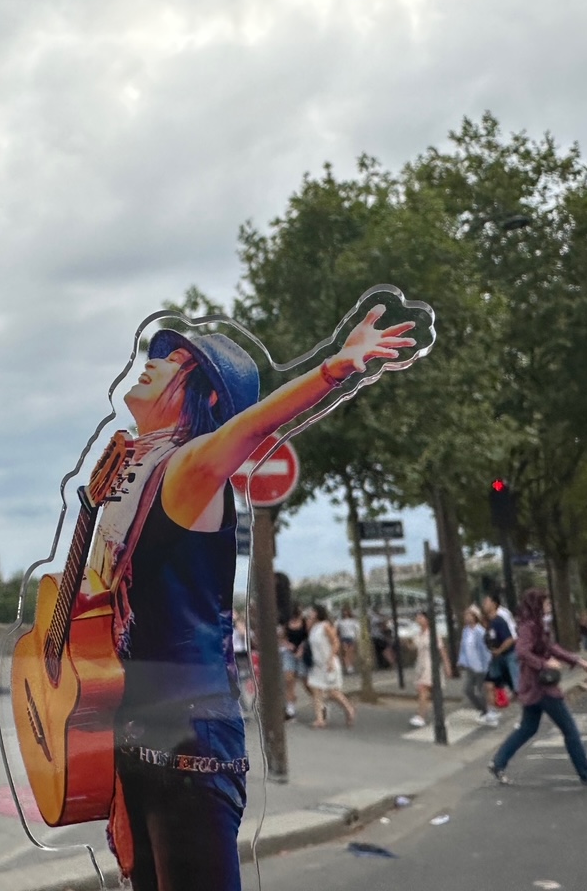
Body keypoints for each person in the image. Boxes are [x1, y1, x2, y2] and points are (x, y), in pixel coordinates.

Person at [87, 306, 417, 889]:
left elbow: (248, 429)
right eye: (155, 355)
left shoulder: (186, 466)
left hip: (187, 749)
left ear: (205, 400)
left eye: (176, 361)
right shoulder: (133, 472)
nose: (153, 364)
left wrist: (333, 369)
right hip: (144, 739)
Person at [487, 589, 587, 786]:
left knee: (528, 727)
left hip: (534, 686)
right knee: (570, 729)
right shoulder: (529, 627)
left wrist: (577, 660)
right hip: (541, 686)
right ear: (537, 605)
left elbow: (551, 647)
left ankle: (498, 762)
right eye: (545, 603)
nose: (548, 606)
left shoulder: (537, 625)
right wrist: (545, 664)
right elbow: (522, 651)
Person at [304, 604, 356, 728]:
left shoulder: (325, 626)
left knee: (332, 691)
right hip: (317, 663)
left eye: (312, 612)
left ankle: (349, 709)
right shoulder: (313, 627)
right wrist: (309, 622)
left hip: (328, 661)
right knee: (316, 690)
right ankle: (319, 719)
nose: (310, 614)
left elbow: (335, 642)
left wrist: (331, 659)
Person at [409, 609, 450, 728]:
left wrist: (447, 665)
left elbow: (442, 650)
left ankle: (421, 716)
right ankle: (441, 716)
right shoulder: (418, 634)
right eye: (417, 617)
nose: (418, 619)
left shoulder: (434, 634)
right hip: (421, 664)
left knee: (423, 689)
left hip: (431, 664)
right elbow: (414, 647)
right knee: (434, 692)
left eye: (421, 617)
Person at [482, 590, 517, 723]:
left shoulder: (499, 621)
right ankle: (492, 712)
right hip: (496, 659)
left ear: (494, 604)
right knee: (489, 684)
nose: (484, 604)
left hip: (506, 658)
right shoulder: (490, 622)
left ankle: (526, 713)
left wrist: (499, 650)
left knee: (516, 688)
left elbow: (509, 639)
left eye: (487, 602)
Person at [458, 605, 494, 725]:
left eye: (470, 615)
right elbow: (463, 648)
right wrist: (461, 661)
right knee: (467, 690)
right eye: (466, 616)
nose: (467, 618)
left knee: (481, 690)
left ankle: (487, 712)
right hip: (470, 665)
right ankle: (482, 709)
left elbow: (485, 650)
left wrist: (487, 665)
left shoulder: (480, 631)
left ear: (475, 617)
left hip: (480, 666)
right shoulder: (465, 631)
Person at [282, 605, 308, 719]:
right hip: (290, 652)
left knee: (305, 681)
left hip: (302, 652)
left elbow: (308, 637)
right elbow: (282, 637)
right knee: (289, 679)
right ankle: (290, 708)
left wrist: (301, 649)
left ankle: (319, 702)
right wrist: (288, 645)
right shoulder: (287, 624)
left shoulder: (304, 622)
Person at [336, 605, 360, 675]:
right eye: (344, 611)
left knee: (351, 652)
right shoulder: (340, 621)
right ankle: (348, 667)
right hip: (344, 638)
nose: (345, 613)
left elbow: (357, 629)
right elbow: (336, 628)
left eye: (346, 611)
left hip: (352, 637)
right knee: (346, 652)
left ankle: (351, 666)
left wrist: (357, 638)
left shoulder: (353, 620)